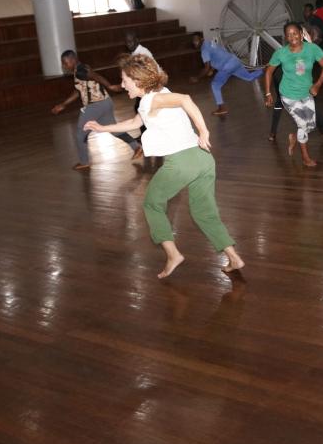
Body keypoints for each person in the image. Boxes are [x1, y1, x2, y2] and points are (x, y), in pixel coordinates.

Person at [84, 54, 245, 278]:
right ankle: (234, 257)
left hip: (181, 162)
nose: (122, 85)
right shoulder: (154, 97)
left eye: (124, 80)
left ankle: (173, 254)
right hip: (203, 160)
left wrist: (204, 130)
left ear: (138, 80)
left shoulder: (153, 100)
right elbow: (135, 123)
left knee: (152, 204)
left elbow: (187, 99)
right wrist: (103, 128)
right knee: (204, 212)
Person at [50, 49, 142, 170]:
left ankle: (84, 161)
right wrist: (64, 104)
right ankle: (136, 147)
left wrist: (109, 85)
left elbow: (95, 75)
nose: (64, 66)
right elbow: (79, 90)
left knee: (80, 133)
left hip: (95, 105)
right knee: (114, 130)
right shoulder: (79, 70)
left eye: (65, 63)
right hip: (105, 103)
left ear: (72, 60)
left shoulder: (81, 71)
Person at [263, 22, 323, 167]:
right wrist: (268, 93)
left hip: (306, 93)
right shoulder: (281, 53)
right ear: (286, 38)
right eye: (288, 34)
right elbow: (269, 71)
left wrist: (317, 84)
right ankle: (305, 158)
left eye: (295, 33)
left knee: (310, 125)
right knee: (302, 125)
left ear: (301, 34)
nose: (292, 36)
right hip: (288, 95)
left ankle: (294, 137)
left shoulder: (312, 49)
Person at [189, 33, 262, 116]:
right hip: (235, 61)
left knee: (215, 85)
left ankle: (222, 108)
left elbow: (206, 67)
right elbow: (219, 54)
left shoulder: (204, 49)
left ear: (201, 39)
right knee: (249, 77)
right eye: (193, 41)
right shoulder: (210, 43)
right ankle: (264, 70)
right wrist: (212, 69)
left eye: (196, 40)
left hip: (227, 66)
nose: (195, 42)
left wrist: (197, 78)